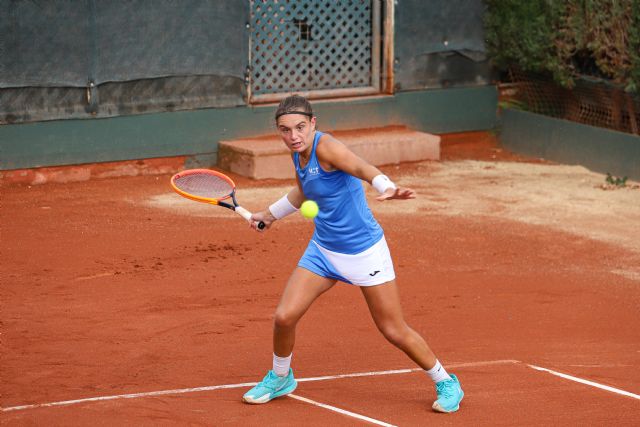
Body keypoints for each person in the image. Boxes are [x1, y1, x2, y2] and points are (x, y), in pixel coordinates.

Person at [242, 95, 463, 413]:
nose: (294, 136)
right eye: (285, 130)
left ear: (313, 123)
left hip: (364, 253)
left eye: (300, 127)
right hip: (323, 251)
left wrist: (384, 185)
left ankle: (446, 381)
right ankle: (280, 377)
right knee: (284, 316)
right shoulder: (298, 154)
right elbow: (305, 190)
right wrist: (271, 214)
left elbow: (360, 166)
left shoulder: (325, 147)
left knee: (393, 329)